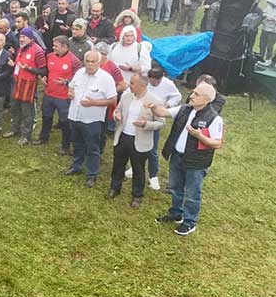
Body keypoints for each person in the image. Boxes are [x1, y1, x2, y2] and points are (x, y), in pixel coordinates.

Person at [150, 82, 224, 236]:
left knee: (192, 193)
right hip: (177, 156)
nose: (191, 96)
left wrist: (199, 136)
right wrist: (152, 106)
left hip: (196, 162)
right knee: (175, 187)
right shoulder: (185, 109)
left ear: (206, 99)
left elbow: (217, 143)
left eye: (196, 94)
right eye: (193, 92)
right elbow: (163, 112)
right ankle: (176, 213)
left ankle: (190, 222)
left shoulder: (214, 119)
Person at [109, 74, 165, 208]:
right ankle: (115, 188)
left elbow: (161, 123)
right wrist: (116, 115)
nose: (129, 85)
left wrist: (146, 124)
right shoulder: (126, 96)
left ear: (142, 86)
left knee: (138, 169)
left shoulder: (155, 101)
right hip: (123, 137)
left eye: (132, 83)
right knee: (118, 165)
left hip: (140, 141)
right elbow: (117, 110)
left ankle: (137, 195)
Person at [66, 49, 117, 188]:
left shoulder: (106, 78)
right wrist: (70, 93)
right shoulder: (79, 73)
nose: (89, 64)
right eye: (87, 61)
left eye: (93, 62)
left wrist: (93, 103)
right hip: (75, 116)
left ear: (99, 62)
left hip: (92, 120)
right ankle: (76, 166)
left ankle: (91, 175)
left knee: (93, 147)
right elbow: (71, 88)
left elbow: (112, 100)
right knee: (77, 143)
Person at [36, 35, 82, 153]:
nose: (53, 47)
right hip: (49, 93)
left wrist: (67, 82)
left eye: (56, 46)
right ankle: (43, 138)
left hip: (63, 97)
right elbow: (47, 71)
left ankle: (65, 146)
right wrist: (44, 77)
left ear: (65, 47)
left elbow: (80, 78)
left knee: (64, 122)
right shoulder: (50, 56)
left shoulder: (74, 60)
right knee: (46, 117)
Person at [4, 27, 46, 145]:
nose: (21, 39)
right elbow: (19, 64)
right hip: (16, 82)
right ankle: (14, 129)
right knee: (14, 107)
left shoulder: (38, 51)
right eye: (20, 37)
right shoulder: (21, 48)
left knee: (26, 110)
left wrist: (30, 69)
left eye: (24, 37)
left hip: (28, 84)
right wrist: (14, 64)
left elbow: (43, 70)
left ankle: (26, 135)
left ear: (31, 38)